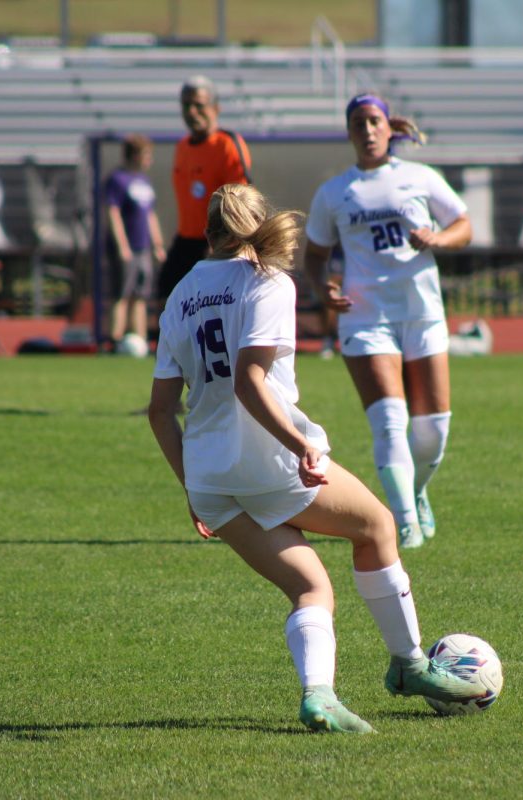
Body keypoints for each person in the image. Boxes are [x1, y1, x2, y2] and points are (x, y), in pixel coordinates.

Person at [147, 183, 483, 734]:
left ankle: (319, 697)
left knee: (310, 587)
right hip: (269, 464)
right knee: (376, 526)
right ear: (256, 227)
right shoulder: (267, 282)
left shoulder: (180, 293)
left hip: (210, 478)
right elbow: (250, 385)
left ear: (208, 232)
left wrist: (192, 489)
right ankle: (409, 665)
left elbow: (161, 411)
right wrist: (301, 444)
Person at [303, 93, 472, 550]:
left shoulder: (419, 177)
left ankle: (415, 491)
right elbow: (314, 255)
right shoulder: (335, 192)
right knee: (389, 422)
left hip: (421, 311)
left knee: (433, 429)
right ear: (349, 132)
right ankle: (403, 523)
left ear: (389, 128)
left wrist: (437, 237)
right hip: (365, 316)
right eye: (358, 123)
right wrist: (323, 290)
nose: (368, 130)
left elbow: (464, 224)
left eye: (374, 121)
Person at [158, 75, 252, 307]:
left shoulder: (227, 144)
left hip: (216, 240)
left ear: (215, 108)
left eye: (199, 105)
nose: (192, 111)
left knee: (209, 306)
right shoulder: (182, 147)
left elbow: (239, 201)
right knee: (166, 293)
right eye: (186, 105)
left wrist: (221, 244)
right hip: (186, 239)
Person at [106, 134, 166, 347]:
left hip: (143, 248)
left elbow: (150, 214)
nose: (149, 160)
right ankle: (114, 342)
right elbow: (113, 212)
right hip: (127, 249)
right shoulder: (117, 179)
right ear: (135, 155)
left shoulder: (144, 181)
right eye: (146, 154)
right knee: (122, 294)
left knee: (141, 296)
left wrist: (157, 244)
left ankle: (138, 341)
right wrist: (122, 245)